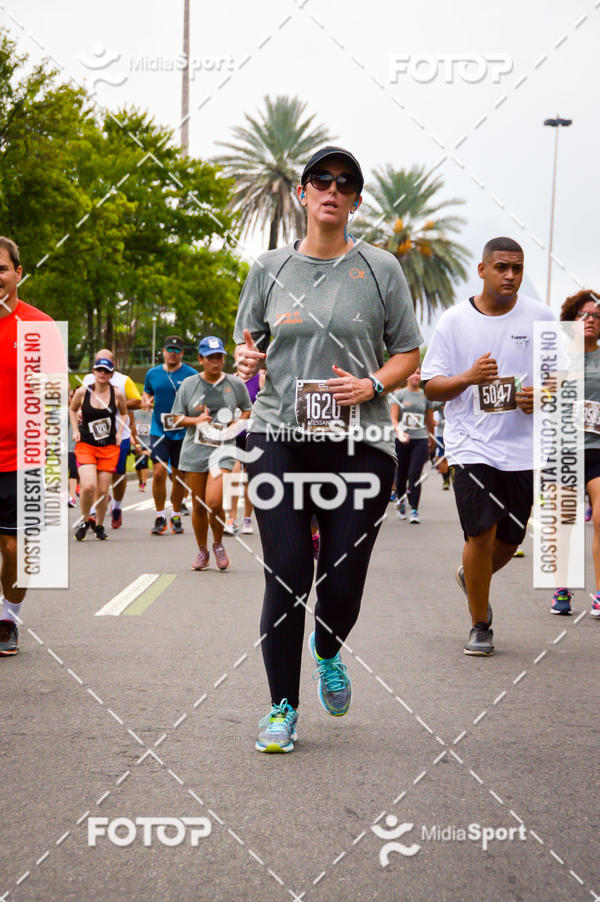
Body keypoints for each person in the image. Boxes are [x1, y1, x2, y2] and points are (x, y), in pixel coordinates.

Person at [235, 145, 422, 752]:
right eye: (321, 179)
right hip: (278, 436)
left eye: (345, 183)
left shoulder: (380, 268)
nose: (332, 190)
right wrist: (246, 361)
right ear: (303, 193)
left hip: (360, 441)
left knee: (341, 582)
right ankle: (281, 709)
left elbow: (409, 353)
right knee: (287, 576)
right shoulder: (267, 268)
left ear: (356, 200)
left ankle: (329, 650)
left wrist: (372, 384)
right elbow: (248, 346)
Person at [422, 236, 554, 656]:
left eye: (517, 268)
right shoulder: (454, 322)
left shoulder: (542, 317)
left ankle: (471, 576)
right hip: (471, 445)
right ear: (482, 270)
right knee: (480, 533)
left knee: (509, 541)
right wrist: (468, 377)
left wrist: (543, 397)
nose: (510, 275)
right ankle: (480, 624)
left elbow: (560, 381)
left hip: (521, 449)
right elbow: (431, 387)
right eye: (501, 267)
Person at [0, 237, 54, 656]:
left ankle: (9, 615)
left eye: (1, 268)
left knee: (15, 547)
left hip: (21, 458)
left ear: (19, 272)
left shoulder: (39, 326)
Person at [171, 336, 251, 571]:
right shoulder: (188, 384)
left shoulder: (235, 384)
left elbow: (247, 409)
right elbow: (175, 417)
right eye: (210, 358)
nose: (216, 362)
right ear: (200, 359)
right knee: (197, 505)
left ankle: (217, 544)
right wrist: (196, 420)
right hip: (195, 451)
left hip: (223, 450)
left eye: (219, 357)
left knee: (214, 502)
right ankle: (202, 551)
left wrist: (235, 426)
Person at [551, 290, 600, 617]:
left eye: (596, 316)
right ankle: (562, 588)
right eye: (584, 315)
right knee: (563, 524)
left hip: (598, 450)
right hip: (563, 449)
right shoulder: (555, 357)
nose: (591, 321)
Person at [142, 336, 197, 535]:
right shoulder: (152, 373)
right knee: (157, 472)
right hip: (159, 430)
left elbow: (198, 399)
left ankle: (175, 514)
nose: (172, 353)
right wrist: (146, 401)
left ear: (182, 353)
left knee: (179, 477)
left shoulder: (191, 374)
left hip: (182, 431)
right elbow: (147, 393)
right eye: (169, 349)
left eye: (177, 350)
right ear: (163, 352)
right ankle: (159, 516)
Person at [82, 349, 141, 529]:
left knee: (118, 474)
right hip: (93, 437)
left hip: (118, 436)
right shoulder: (87, 380)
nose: (103, 369)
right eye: (99, 362)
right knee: (93, 476)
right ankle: (93, 511)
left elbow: (137, 402)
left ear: (113, 365)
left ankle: (116, 506)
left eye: (107, 363)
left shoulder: (124, 381)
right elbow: (79, 402)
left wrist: (113, 403)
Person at [70, 357, 127, 541]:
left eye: (106, 371)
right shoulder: (83, 392)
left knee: (102, 491)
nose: (102, 373)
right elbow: (72, 409)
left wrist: (119, 432)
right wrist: (75, 430)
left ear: (111, 374)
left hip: (108, 447)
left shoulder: (116, 394)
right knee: (88, 486)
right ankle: (85, 520)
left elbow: (124, 413)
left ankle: (100, 524)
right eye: (99, 370)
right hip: (86, 444)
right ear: (93, 372)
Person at [389, 366, 436, 523]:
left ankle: (414, 509)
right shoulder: (399, 395)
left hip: (420, 439)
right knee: (401, 474)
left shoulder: (426, 396)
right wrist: (399, 432)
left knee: (415, 474)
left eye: (419, 373)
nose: (416, 376)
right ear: (407, 376)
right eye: (413, 373)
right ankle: (401, 501)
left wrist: (432, 439)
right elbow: (393, 418)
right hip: (402, 440)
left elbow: (430, 420)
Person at [224, 363, 266, 535]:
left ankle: (247, 518)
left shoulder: (260, 379)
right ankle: (231, 519)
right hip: (233, 436)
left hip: (252, 434)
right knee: (233, 475)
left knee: (249, 478)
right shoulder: (229, 380)